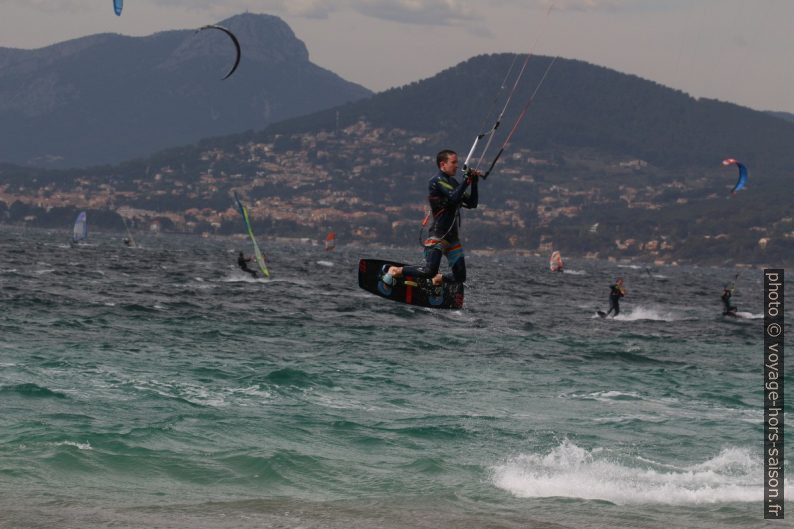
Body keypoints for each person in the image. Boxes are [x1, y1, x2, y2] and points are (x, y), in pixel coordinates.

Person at [382, 149, 480, 287]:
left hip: (452, 238)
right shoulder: (436, 181)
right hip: (438, 235)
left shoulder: (454, 183)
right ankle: (396, 270)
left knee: (460, 276)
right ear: (443, 164)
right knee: (429, 271)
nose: (457, 165)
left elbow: (472, 203)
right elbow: (453, 198)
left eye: (457, 162)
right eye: (453, 162)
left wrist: (474, 182)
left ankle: (439, 279)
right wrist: (466, 181)